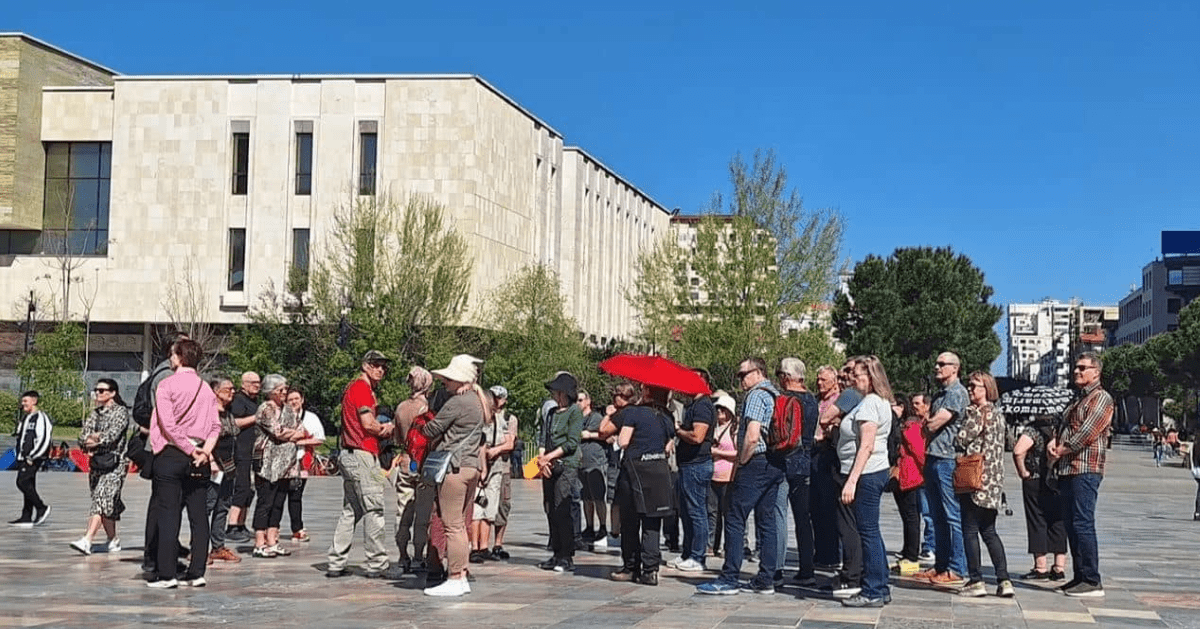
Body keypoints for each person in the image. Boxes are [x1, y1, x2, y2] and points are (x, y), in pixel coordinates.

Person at [696, 357, 785, 596]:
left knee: (734, 517)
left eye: (743, 374)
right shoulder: (776, 393)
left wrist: (742, 460)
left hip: (756, 461)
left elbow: (753, 435)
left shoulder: (756, 395)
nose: (740, 379)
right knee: (767, 522)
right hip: (776, 463)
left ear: (757, 372)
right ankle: (766, 578)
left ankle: (729, 577)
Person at [147, 339, 220, 588]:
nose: (170, 358)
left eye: (172, 354)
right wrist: (204, 452)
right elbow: (215, 426)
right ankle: (197, 571)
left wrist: (189, 449)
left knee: (168, 514)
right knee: (199, 516)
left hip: (172, 454)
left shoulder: (166, 385)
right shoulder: (207, 389)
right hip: (200, 457)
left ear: (178, 357)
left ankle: (167, 574)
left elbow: (168, 425)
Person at [421, 354, 488, 596]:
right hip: (470, 466)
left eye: (449, 379)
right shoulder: (478, 400)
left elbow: (432, 429)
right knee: (460, 524)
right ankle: (461, 576)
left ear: (460, 380)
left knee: (452, 526)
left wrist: (419, 420)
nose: (445, 383)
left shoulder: (457, 403)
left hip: (454, 467)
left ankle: (455, 576)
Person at [1048, 352, 1113, 598]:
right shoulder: (1077, 399)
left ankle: (1091, 578)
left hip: (1085, 468)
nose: (1077, 371)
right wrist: (1053, 443)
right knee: (1072, 524)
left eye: (1083, 368)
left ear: (1096, 372)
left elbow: (1087, 431)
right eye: (1076, 368)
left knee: (1083, 523)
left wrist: (1062, 449)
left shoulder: (1101, 398)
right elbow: (1063, 426)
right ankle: (1079, 576)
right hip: (1067, 468)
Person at [326, 350, 397, 579]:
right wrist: (385, 429)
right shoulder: (361, 389)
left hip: (351, 455)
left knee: (351, 509)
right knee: (374, 507)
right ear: (365, 366)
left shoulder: (353, 388)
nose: (381, 370)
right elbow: (368, 424)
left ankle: (336, 561)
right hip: (362, 454)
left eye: (383, 366)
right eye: (376, 365)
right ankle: (377, 563)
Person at [837, 356, 894, 608]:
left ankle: (873, 589)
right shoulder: (879, 401)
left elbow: (866, 445)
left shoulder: (870, 403)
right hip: (874, 471)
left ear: (870, 378)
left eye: (858, 375)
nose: (853, 379)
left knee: (867, 532)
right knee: (871, 530)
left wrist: (851, 481)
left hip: (867, 473)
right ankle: (880, 583)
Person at [605, 384, 676, 585]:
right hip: (659, 471)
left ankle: (630, 567)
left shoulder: (634, 412)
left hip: (635, 471)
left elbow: (623, 441)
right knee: (652, 523)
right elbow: (668, 445)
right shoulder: (667, 417)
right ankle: (650, 570)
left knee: (629, 521)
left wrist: (612, 415)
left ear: (647, 393)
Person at [955, 371, 1013, 598]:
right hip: (994, 481)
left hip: (975, 477)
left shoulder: (978, 413)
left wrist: (966, 416)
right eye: (970, 386)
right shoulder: (998, 414)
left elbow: (960, 437)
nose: (970, 389)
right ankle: (1004, 579)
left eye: (975, 386)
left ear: (987, 389)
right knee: (989, 530)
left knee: (969, 530)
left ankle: (976, 580)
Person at [915, 352, 969, 587]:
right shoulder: (940, 394)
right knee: (936, 516)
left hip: (947, 458)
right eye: (936, 362)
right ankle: (941, 565)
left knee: (951, 515)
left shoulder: (956, 393)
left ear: (954, 368)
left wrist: (929, 423)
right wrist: (928, 424)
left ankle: (957, 567)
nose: (937, 367)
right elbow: (926, 426)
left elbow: (934, 423)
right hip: (933, 456)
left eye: (942, 364)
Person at [816, 360, 866, 596]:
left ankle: (852, 574)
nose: (845, 375)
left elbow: (825, 418)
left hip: (848, 466)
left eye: (849, 371)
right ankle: (854, 571)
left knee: (849, 524)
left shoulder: (851, 395)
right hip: (849, 463)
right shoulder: (867, 397)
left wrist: (834, 424)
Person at [70, 379, 131, 554]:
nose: (98, 393)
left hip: (114, 464)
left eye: (102, 390)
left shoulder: (120, 412)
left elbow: (112, 436)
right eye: (96, 390)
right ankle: (113, 540)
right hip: (97, 463)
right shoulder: (95, 413)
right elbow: (83, 436)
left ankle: (87, 539)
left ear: (112, 393)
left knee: (100, 500)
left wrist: (96, 438)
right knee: (106, 504)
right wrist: (91, 440)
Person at [775, 358, 820, 587]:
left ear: (786, 376)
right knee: (804, 519)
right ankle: (807, 568)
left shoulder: (784, 398)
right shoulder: (812, 399)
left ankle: (775, 567)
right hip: (806, 460)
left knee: (776, 514)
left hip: (783, 460)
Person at [250, 375, 304, 558]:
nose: (284, 393)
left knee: (279, 502)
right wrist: (292, 433)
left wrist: (292, 433)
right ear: (271, 392)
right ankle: (259, 542)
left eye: (285, 389)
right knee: (265, 501)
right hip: (267, 463)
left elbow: (301, 430)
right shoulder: (265, 409)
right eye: (281, 390)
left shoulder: (288, 409)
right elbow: (278, 431)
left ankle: (272, 540)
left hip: (286, 463)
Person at [537, 372, 584, 573]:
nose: (555, 395)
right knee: (550, 508)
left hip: (566, 464)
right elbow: (543, 436)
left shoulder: (574, 412)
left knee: (561, 507)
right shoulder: (551, 412)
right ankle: (555, 552)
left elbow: (572, 442)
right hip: (549, 463)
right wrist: (541, 459)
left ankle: (566, 554)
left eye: (557, 391)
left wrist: (550, 457)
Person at [1013, 414, 1066, 581]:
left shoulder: (1033, 429)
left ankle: (1040, 567)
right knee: (1058, 521)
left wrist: (1023, 472)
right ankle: (1059, 567)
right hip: (1058, 480)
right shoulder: (1062, 430)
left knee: (1037, 520)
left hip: (1035, 480)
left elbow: (1018, 450)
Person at [671, 373, 715, 573]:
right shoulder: (692, 406)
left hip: (697, 465)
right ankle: (688, 553)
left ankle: (698, 555)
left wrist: (678, 430)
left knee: (697, 511)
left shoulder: (703, 406)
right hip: (688, 465)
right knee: (687, 512)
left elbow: (697, 436)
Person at [394, 366, 434, 571]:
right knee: (422, 511)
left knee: (403, 509)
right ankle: (419, 555)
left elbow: (399, 438)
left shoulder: (401, 407)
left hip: (406, 460)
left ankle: (402, 555)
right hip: (423, 461)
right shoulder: (427, 408)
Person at [470, 385, 515, 562]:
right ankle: (474, 546)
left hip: (496, 468)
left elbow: (508, 441)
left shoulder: (504, 419)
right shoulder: (479, 417)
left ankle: (484, 546)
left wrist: (494, 450)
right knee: (476, 509)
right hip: (479, 468)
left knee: (491, 509)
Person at [890, 394, 927, 577]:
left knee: (911, 516)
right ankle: (907, 553)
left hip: (910, 475)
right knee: (908, 516)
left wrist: (925, 472)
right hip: (906, 475)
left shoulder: (910, 426)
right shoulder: (908, 425)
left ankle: (912, 557)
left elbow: (919, 451)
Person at [206, 377, 242, 564]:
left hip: (228, 466)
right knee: (207, 507)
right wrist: (210, 460)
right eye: (228, 389)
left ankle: (218, 547)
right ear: (215, 391)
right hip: (212, 465)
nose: (232, 391)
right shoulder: (207, 413)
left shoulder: (228, 413)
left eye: (233, 388)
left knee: (223, 508)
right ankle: (200, 548)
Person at [810, 365, 842, 570]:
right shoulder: (816, 400)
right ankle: (820, 551)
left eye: (824, 380)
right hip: (813, 453)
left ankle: (832, 554)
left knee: (829, 505)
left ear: (834, 381)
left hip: (830, 452)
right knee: (815, 506)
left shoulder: (840, 400)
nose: (820, 383)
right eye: (818, 379)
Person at [285, 388, 325, 543]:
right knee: (279, 496)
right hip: (282, 463)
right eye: (290, 399)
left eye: (296, 398)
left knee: (296, 496)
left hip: (301, 462)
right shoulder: (281, 416)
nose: (294, 402)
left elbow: (320, 439)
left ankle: (297, 528)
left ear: (302, 400)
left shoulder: (310, 417)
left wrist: (300, 442)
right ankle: (272, 528)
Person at [226, 372, 262, 543]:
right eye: (253, 383)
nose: (257, 385)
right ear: (244, 384)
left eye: (259, 382)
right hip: (240, 450)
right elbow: (236, 422)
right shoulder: (239, 400)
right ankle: (232, 525)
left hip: (252, 451)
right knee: (241, 486)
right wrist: (256, 418)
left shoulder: (254, 401)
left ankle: (242, 524)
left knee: (250, 489)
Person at [9, 391, 52, 528]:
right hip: (23, 457)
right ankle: (26, 516)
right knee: (29, 485)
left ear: (34, 401)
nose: (23, 404)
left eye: (25, 401)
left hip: (32, 458)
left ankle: (41, 507)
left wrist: (33, 456)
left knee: (22, 482)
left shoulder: (41, 417)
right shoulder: (25, 418)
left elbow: (44, 439)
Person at [488, 385, 518, 559]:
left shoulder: (509, 418)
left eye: (498, 397)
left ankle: (498, 543)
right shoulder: (484, 415)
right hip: (485, 467)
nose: (496, 400)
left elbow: (510, 443)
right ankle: (477, 543)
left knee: (503, 505)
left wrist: (494, 450)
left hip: (503, 467)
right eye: (493, 396)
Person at [578, 389, 610, 547]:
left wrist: (590, 435)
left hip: (595, 462)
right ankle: (589, 526)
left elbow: (606, 434)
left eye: (580, 400)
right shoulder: (576, 418)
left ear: (588, 401)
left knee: (598, 497)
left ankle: (603, 527)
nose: (578, 403)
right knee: (586, 498)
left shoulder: (596, 417)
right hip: (581, 463)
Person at [707, 392, 737, 559]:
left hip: (728, 475)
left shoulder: (734, 429)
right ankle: (711, 544)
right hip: (713, 475)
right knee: (712, 512)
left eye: (722, 410)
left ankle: (728, 546)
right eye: (717, 410)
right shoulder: (714, 428)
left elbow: (738, 453)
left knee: (728, 513)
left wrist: (718, 452)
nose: (719, 413)